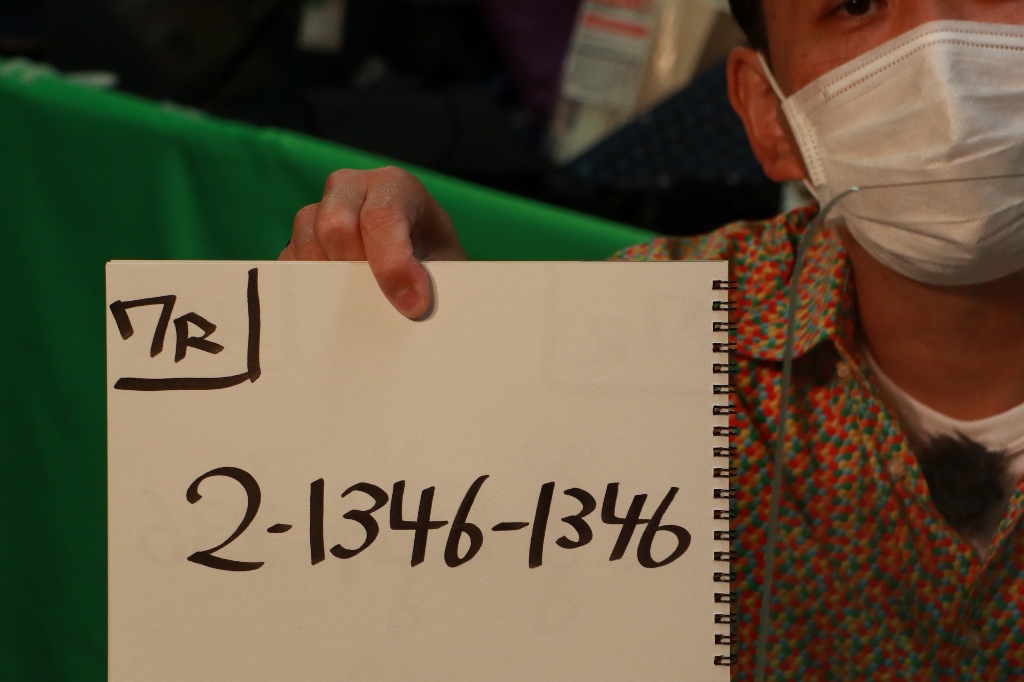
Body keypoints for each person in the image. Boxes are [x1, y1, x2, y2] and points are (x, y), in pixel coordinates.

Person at [281, 0, 1024, 677]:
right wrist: (453, 350)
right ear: (769, 114)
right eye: (855, 4)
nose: (943, 54)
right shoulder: (643, 343)